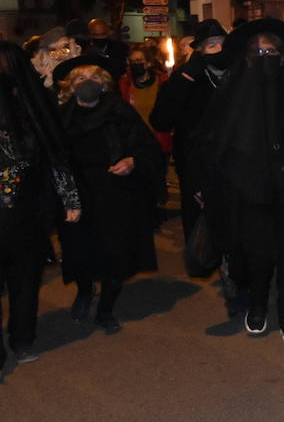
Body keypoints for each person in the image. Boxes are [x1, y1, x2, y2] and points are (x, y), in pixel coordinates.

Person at [197, 19, 284, 337]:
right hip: (249, 190)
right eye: (259, 52)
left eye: (272, 52)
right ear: (247, 57)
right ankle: (258, 306)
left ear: (283, 55)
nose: (266, 58)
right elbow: (213, 140)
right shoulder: (232, 92)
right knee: (257, 255)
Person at [53, 56, 163, 334]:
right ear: (71, 86)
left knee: (115, 252)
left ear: (103, 84)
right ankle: (85, 291)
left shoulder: (119, 111)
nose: (86, 82)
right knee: (79, 250)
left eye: (93, 77)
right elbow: (52, 158)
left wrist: (132, 161)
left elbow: (147, 146)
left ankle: (106, 309)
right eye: (80, 78)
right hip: (77, 195)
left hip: (116, 193)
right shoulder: (61, 117)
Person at [0, 42, 81, 367]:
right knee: (22, 279)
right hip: (19, 211)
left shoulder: (34, 104)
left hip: (27, 212)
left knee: (25, 279)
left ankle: (22, 339)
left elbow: (54, 153)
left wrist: (70, 197)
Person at [150, 19, 229, 242]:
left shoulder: (240, 75)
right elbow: (161, 121)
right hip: (195, 167)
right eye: (212, 45)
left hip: (232, 164)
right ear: (200, 51)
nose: (219, 49)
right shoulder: (185, 78)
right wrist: (185, 79)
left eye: (223, 44)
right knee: (201, 232)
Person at [119, 45, 172, 158]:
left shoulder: (163, 82)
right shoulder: (125, 83)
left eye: (139, 60)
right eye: (132, 61)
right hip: (135, 141)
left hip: (158, 139)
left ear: (148, 63)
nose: (135, 64)